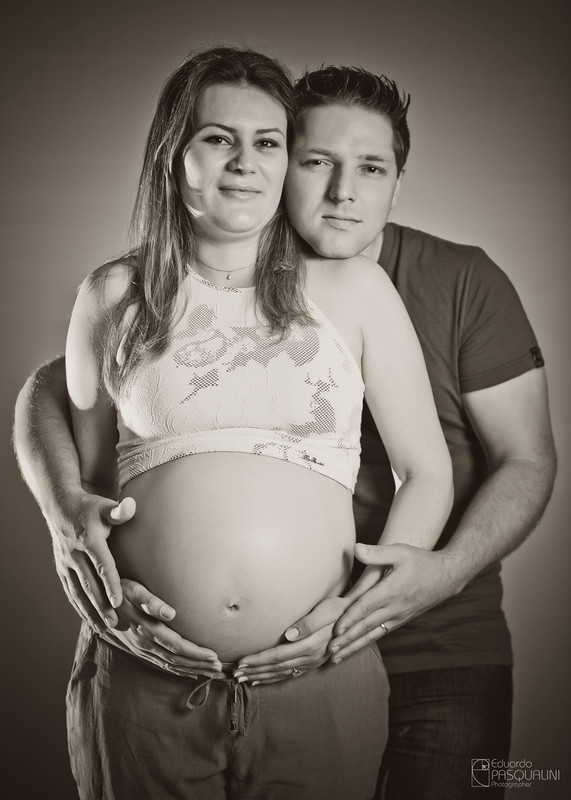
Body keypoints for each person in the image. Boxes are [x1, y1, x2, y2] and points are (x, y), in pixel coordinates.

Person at [13, 60, 555, 799]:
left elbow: (515, 460)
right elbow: (78, 429)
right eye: (315, 161)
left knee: (472, 783)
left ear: (398, 178)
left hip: (417, 641)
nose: (342, 190)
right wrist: (70, 527)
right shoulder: (126, 292)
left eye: (370, 167)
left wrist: (412, 583)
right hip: (167, 668)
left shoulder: (429, 282)